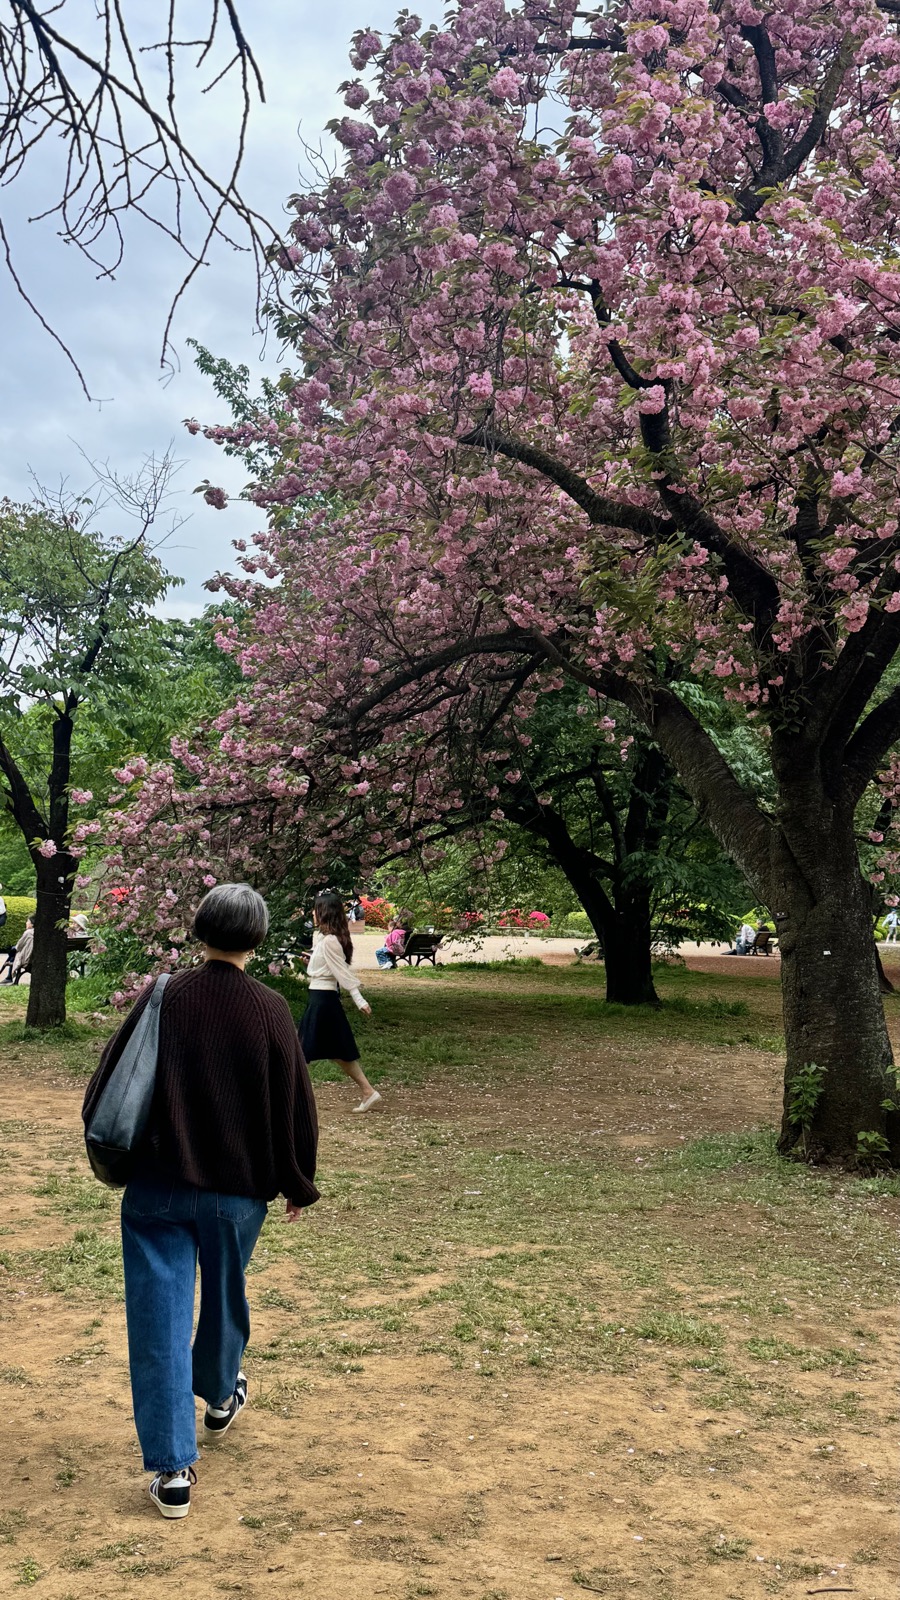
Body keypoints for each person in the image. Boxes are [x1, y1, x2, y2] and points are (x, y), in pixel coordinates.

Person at [81, 884, 319, 1521]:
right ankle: (219, 1395)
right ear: (259, 937)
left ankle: (172, 1470)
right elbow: (295, 1103)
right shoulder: (270, 1009)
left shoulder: (164, 996)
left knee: (157, 1320)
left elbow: (114, 1077)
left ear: (198, 928)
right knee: (223, 1296)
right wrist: (298, 1181)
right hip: (236, 1194)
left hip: (157, 1188)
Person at [300, 889, 381, 1112]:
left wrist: (359, 998)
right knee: (333, 1051)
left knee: (303, 1050)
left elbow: (341, 972)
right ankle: (367, 1091)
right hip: (319, 997)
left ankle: (293, 1097)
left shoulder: (330, 942)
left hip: (323, 1000)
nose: (312, 914)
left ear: (324, 913)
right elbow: (326, 968)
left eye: (316, 910)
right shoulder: (324, 939)